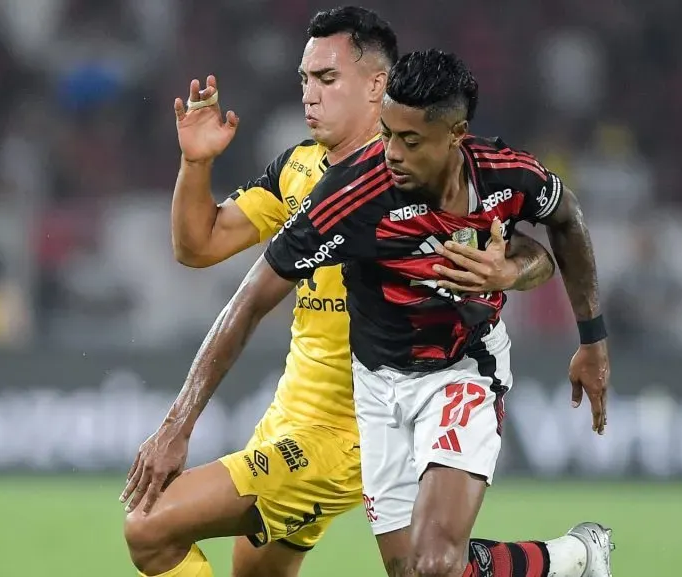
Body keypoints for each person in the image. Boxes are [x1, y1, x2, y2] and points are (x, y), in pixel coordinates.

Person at [120, 8, 559, 577]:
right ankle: (563, 560)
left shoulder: (415, 176)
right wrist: (196, 163)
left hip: (349, 433)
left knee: (148, 527)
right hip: (287, 421)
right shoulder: (299, 169)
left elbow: (528, 252)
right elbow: (197, 246)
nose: (310, 94)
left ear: (377, 85)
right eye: (305, 79)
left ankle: (553, 561)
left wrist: (507, 273)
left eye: (327, 79)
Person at [246, 49, 614, 577]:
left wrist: (588, 337)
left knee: (435, 561)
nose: (392, 152)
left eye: (410, 140)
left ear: (456, 134)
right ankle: (574, 557)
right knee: (415, 571)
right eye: (386, 133)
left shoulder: (504, 175)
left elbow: (564, 221)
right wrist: (178, 425)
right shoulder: (354, 192)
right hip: (376, 386)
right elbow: (251, 297)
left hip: (462, 368)